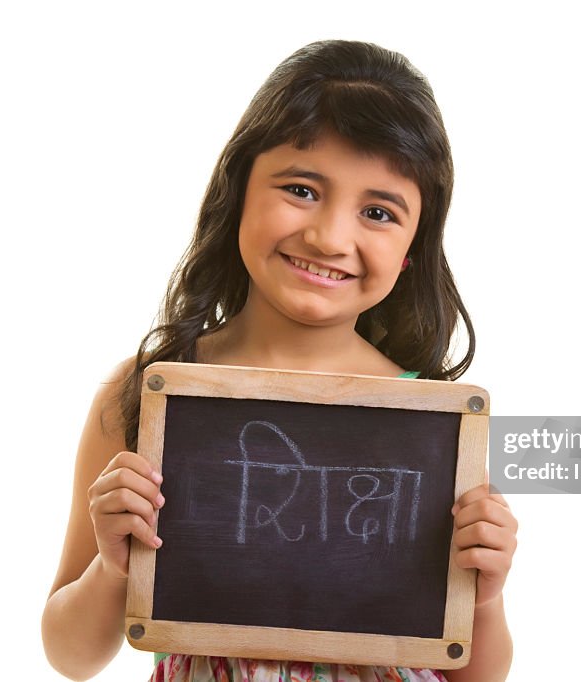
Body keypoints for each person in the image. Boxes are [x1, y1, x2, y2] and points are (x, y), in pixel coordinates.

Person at [42, 40, 517, 682]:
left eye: (377, 212)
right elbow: (70, 656)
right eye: (301, 189)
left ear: (412, 249)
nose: (329, 237)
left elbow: (473, 675)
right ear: (238, 191)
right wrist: (113, 565)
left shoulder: (431, 424)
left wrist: (483, 599)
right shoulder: (147, 393)